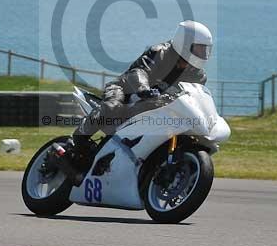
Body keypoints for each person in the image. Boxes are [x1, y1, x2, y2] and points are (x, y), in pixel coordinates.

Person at [66, 20, 213, 174]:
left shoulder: (199, 76)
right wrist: (143, 88)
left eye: (205, 50)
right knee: (112, 107)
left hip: (157, 104)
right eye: (199, 49)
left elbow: (195, 96)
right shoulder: (160, 52)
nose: (203, 54)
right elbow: (139, 71)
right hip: (124, 88)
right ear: (184, 43)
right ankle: (79, 138)